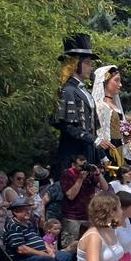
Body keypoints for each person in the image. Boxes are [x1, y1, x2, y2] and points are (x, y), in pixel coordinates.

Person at [3, 197, 75, 261]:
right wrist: (44, 254)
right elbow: (21, 249)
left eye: (29, 209)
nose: (28, 212)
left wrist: (49, 250)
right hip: (23, 260)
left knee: (66, 256)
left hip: (41, 254)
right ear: (15, 212)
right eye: (25, 210)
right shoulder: (13, 226)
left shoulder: (28, 224)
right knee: (48, 260)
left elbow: (40, 240)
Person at [54, 33, 102, 173]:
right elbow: (67, 125)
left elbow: (92, 128)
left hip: (88, 151)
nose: (90, 67)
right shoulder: (67, 90)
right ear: (75, 64)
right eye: (87, 63)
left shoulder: (85, 92)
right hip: (73, 153)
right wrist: (94, 140)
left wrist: (101, 155)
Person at [60, 154, 110, 249]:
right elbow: (70, 196)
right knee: (70, 247)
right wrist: (80, 179)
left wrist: (98, 174)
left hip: (88, 215)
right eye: (80, 166)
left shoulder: (89, 174)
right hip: (72, 217)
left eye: (85, 164)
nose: (83, 168)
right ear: (73, 165)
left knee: (87, 246)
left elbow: (105, 188)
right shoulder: (67, 174)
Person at [92, 65, 127, 167]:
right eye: (116, 80)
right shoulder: (100, 106)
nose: (120, 85)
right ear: (105, 81)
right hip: (108, 152)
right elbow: (99, 133)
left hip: (119, 150)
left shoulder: (116, 106)